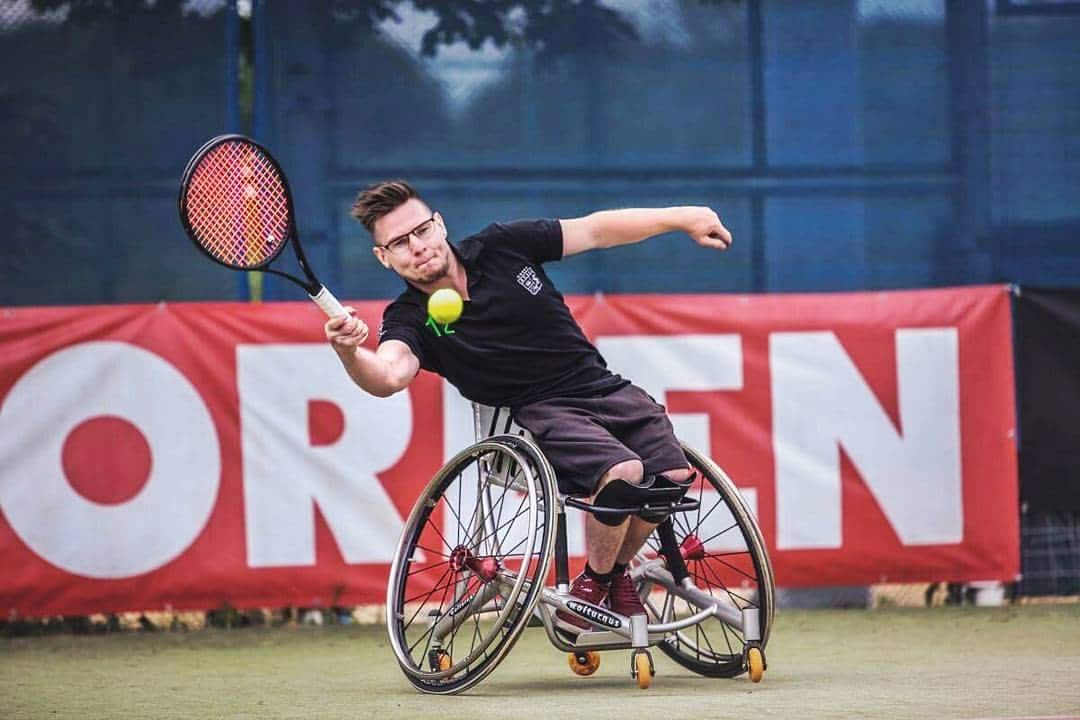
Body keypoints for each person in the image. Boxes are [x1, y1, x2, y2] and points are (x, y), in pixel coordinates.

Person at [325, 180, 732, 635]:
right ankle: (596, 586)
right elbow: (389, 375)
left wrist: (682, 217)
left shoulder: (502, 245)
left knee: (673, 477)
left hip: (602, 386)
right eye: (400, 243)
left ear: (439, 224)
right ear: (384, 257)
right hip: (534, 415)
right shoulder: (409, 317)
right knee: (624, 474)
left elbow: (596, 230)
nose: (417, 247)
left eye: (421, 231)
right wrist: (349, 352)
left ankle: (607, 580)